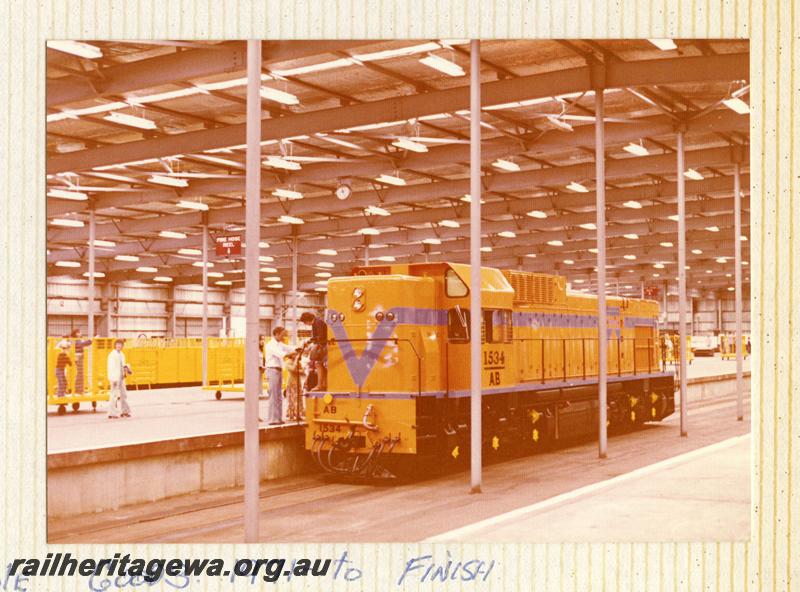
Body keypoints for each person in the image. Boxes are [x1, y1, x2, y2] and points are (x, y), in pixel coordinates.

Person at [264, 326, 300, 425]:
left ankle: (278, 418)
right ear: (277, 333)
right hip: (272, 370)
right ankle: (272, 419)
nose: (283, 337)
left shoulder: (279, 344)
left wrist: (299, 348)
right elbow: (282, 354)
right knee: (273, 395)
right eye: (282, 334)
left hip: (278, 370)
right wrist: (291, 354)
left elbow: (289, 348)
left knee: (279, 396)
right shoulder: (271, 345)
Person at [300, 311, 327, 391]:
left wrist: (310, 340)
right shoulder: (316, 322)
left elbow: (321, 336)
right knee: (319, 364)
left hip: (324, 345)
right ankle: (323, 384)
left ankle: (320, 385)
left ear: (307, 320)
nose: (306, 324)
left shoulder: (317, 323)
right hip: (322, 345)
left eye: (305, 322)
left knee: (318, 363)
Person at [107, 338, 132, 419]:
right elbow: (111, 367)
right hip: (115, 377)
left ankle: (125, 411)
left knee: (123, 394)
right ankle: (112, 413)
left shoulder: (122, 354)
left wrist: (127, 369)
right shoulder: (112, 355)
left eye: (120, 345)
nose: (119, 346)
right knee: (114, 395)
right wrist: (113, 379)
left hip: (121, 377)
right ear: (115, 345)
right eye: (117, 344)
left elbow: (123, 364)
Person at [70, 329, 92, 395]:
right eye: (79, 332)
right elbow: (82, 344)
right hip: (78, 357)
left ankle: (80, 390)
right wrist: (91, 340)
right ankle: (78, 390)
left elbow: (83, 344)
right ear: (76, 333)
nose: (81, 333)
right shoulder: (76, 340)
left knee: (80, 374)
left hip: (79, 357)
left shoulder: (77, 340)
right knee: (80, 374)